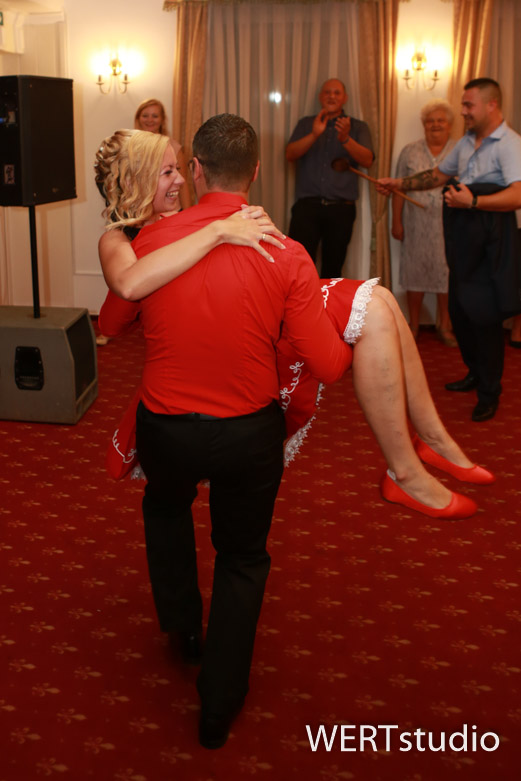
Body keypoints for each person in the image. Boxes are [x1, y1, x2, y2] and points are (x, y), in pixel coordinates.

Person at [95, 120, 491, 749]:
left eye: (177, 168)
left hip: (166, 428)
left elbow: (115, 320)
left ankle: (183, 629)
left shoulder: (145, 244)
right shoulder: (281, 250)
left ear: (196, 170)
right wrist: (336, 327)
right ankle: (218, 706)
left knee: (165, 507)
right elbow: (330, 367)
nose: (174, 179)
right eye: (162, 171)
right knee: (242, 557)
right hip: (246, 436)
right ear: (256, 172)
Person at [378, 78, 521, 422]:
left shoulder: (510, 144)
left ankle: (489, 391)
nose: (463, 111)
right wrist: (399, 183)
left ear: (491, 105)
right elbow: (438, 175)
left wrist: (474, 202)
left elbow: (518, 194)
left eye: (469, 105)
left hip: (492, 237)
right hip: (463, 234)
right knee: (460, 311)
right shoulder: (467, 142)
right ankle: (474, 372)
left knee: (485, 317)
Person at [286, 78, 374, 278]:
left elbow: (367, 160)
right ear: (320, 97)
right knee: (298, 267)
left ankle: (328, 300)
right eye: (327, 92)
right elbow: (290, 154)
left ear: (345, 98)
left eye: (336, 93)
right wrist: (314, 134)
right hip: (307, 207)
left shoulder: (358, 127)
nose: (331, 96)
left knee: (333, 269)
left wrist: (345, 139)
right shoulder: (306, 123)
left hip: (340, 209)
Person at [392, 99, 457, 345]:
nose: (435, 125)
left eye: (440, 120)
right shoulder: (409, 151)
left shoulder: (459, 150)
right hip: (416, 224)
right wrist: (396, 221)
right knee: (414, 272)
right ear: (423, 125)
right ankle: (414, 325)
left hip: (449, 226)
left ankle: (445, 326)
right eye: (430, 121)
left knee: (446, 274)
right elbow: (398, 188)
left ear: (449, 125)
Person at [134, 98, 191, 211]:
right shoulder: (131, 148)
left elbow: (183, 185)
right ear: (138, 118)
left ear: (162, 119)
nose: (150, 120)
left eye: (155, 116)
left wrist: (188, 213)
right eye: (145, 116)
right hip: (140, 211)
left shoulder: (174, 147)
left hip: (170, 211)